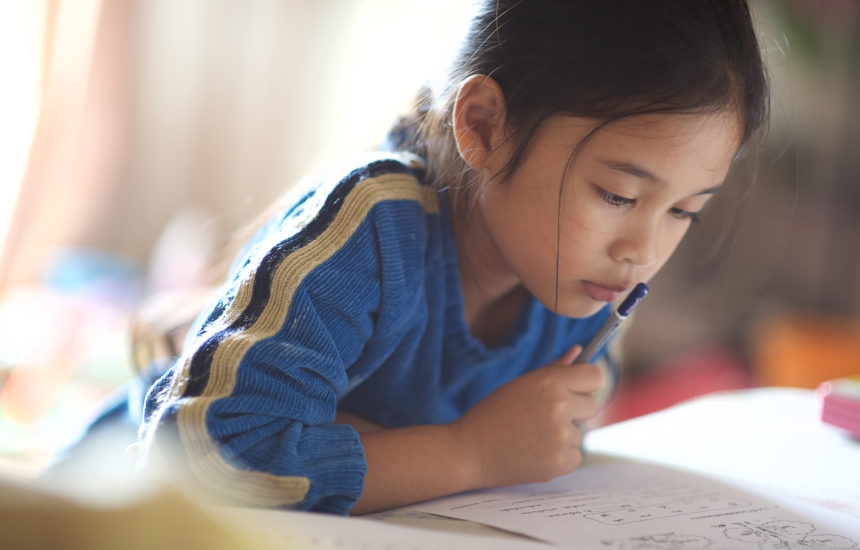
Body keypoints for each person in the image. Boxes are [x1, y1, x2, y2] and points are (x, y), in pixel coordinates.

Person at [137, 0, 769, 516]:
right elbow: (203, 457)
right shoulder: (375, 228)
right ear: (485, 125)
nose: (644, 251)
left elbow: (545, 442)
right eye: (617, 194)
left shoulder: (582, 289)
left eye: (685, 212)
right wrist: (469, 453)